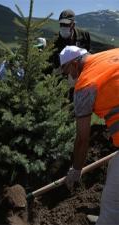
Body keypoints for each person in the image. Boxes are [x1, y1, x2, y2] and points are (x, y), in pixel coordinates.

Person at [60, 45, 119, 225]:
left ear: (75, 64)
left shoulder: (85, 85)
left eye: (66, 72)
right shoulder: (113, 53)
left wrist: (76, 170)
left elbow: (82, 138)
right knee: (114, 165)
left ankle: (108, 220)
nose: (68, 77)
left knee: (111, 201)